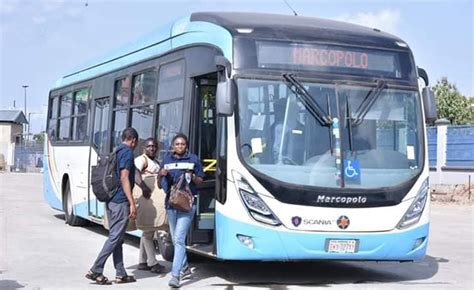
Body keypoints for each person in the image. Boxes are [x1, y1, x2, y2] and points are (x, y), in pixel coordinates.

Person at [85, 127, 138, 285]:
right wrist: (131, 202)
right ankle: (96, 269)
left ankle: (120, 273)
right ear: (133, 140)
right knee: (115, 236)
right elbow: (124, 177)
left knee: (118, 237)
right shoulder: (127, 152)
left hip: (111, 199)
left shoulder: (116, 150)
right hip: (120, 200)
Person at [159, 133, 204, 288]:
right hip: (171, 204)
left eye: (182, 144)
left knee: (178, 239)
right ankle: (185, 268)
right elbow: (160, 185)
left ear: (187, 146)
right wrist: (162, 175)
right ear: (173, 146)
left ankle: (175, 276)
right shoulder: (166, 160)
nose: (180, 146)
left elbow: (200, 181)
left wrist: (192, 175)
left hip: (187, 205)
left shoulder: (193, 160)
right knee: (175, 237)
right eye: (177, 144)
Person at [134, 137, 166, 274]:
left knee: (148, 230)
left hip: (153, 200)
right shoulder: (142, 159)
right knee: (148, 232)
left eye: (154, 146)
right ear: (144, 148)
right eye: (149, 146)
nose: (152, 148)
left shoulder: (156, 162)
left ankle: (142, 261)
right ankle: (152, 263)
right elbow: (135, 173)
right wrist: (144, 188)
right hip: (146, 198)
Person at [270, 98, 305, 164]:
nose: (277, 113)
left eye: (280, 110)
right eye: (276, 110)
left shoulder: (304, 130)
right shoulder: (271, 128)